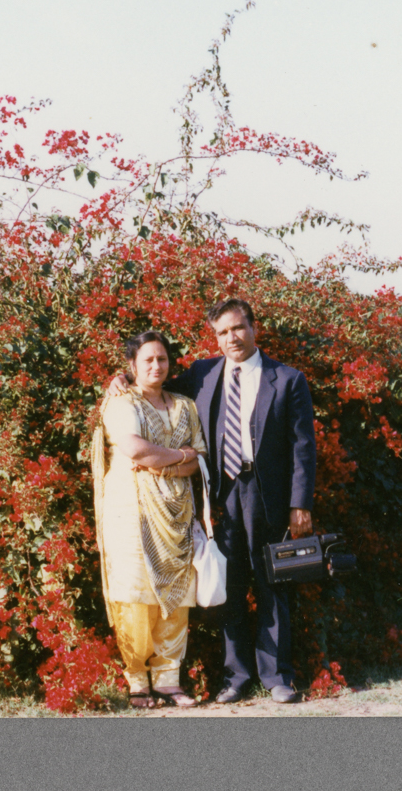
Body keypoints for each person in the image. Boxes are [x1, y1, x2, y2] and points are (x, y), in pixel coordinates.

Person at [114, 298, 316, 704]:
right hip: (219, 498)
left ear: (253, 327)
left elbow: (303, 447)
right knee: (228, 585)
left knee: (273, 582)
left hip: (269, 498)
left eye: (237, 328)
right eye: (222, 332)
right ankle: (236, 677)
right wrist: (121, 380)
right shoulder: (204, 373)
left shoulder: (288, 379)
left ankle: (277, 677)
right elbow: (156, 383)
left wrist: (300, 504)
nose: (231, 338)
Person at [92, 331, 205, 709]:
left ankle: (169, 681)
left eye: (162, 359)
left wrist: (168, 462)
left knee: (176, 592)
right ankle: (138, 681)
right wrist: (180, 455)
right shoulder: (121, 403)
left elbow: (199, 460)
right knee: (136, 595)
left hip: (178, 512)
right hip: (130, 511)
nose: (157, 366)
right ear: (132, 366)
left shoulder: (186, 406)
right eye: (148, 360)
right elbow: (135, 449)